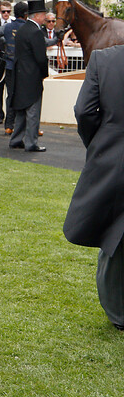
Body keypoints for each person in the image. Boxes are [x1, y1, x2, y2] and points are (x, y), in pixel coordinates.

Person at [64, 44, 124, 330]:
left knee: (116, 237)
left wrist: (100, 143)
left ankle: (118, 313)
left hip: (114, 156)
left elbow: (84, 111)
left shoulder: (104, 59)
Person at [9, 0, 48, 152]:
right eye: (44, 14)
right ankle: (31, 143)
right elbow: (41, 57)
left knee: (21, 110)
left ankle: (16, 139)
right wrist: (44, 73)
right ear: (37, 15)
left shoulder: (22, 30)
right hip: (32, 77)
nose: (45, 17)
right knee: (32, 111)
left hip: (20, 75)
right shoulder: (36, 32)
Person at [0, 1, 27, 136]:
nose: (6, 14)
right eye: (3, 11)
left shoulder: (10, 26)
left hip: (10, 63)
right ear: (0, 12)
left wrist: (6, 41)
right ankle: (2, 116)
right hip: (1, 62)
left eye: (8, 11)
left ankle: (10, 123)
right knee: (1, 91)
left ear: (11, 12)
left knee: (11, 94)